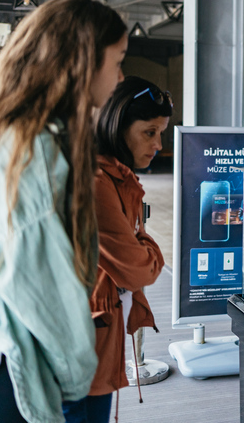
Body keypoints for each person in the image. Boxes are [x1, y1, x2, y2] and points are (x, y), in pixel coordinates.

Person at [0, 0, 128, 423]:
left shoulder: (9, 131)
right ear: (83, 62)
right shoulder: (33, 151)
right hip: (12, 369)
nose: (120, 76)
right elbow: (43, 286)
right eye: (118, 60)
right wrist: (78, 378)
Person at [62, 77, 171, 422]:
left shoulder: (118, 177)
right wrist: (147, 244)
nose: (158, 144)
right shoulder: (96, 181)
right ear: (117, 125)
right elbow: (138, 268)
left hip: (100, 335)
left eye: (162, 133)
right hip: (80, 342)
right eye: (149, 132)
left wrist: (138, 243)